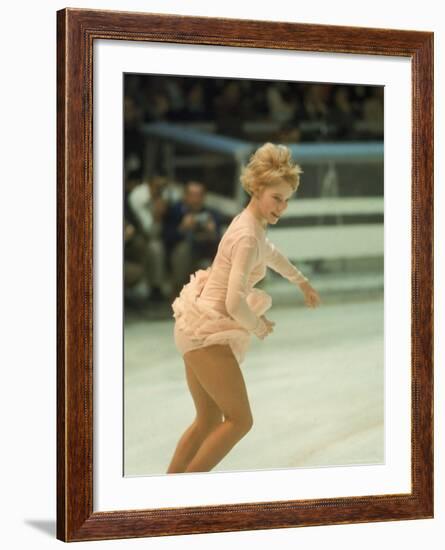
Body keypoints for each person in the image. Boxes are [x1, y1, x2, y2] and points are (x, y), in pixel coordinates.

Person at [167, 142, 321, 474]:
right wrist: (259, 326)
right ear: (258, 189)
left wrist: (302, 282)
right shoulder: (248, 236)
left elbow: (272, 254)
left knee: (208, 420)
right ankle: (183, 498)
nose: (282, 206)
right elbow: (234, 302)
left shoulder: (250, 225)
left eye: (286, 200)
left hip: (195, 326)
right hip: (205, 332)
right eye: (276, 198)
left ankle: (165, 496)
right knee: (240, 420)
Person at [163, 181, 222, 301]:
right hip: (179, 258)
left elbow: (220, 242)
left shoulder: (212, 214)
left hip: (203, 254)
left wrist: (212, 233)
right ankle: (177, 290)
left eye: (199, 195)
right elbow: (166, 238)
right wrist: (182, 228)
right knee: (183, 249)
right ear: (185, 196)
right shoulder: (175, 212)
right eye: (192, 195)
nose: (196, 199)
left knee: (210, 263)